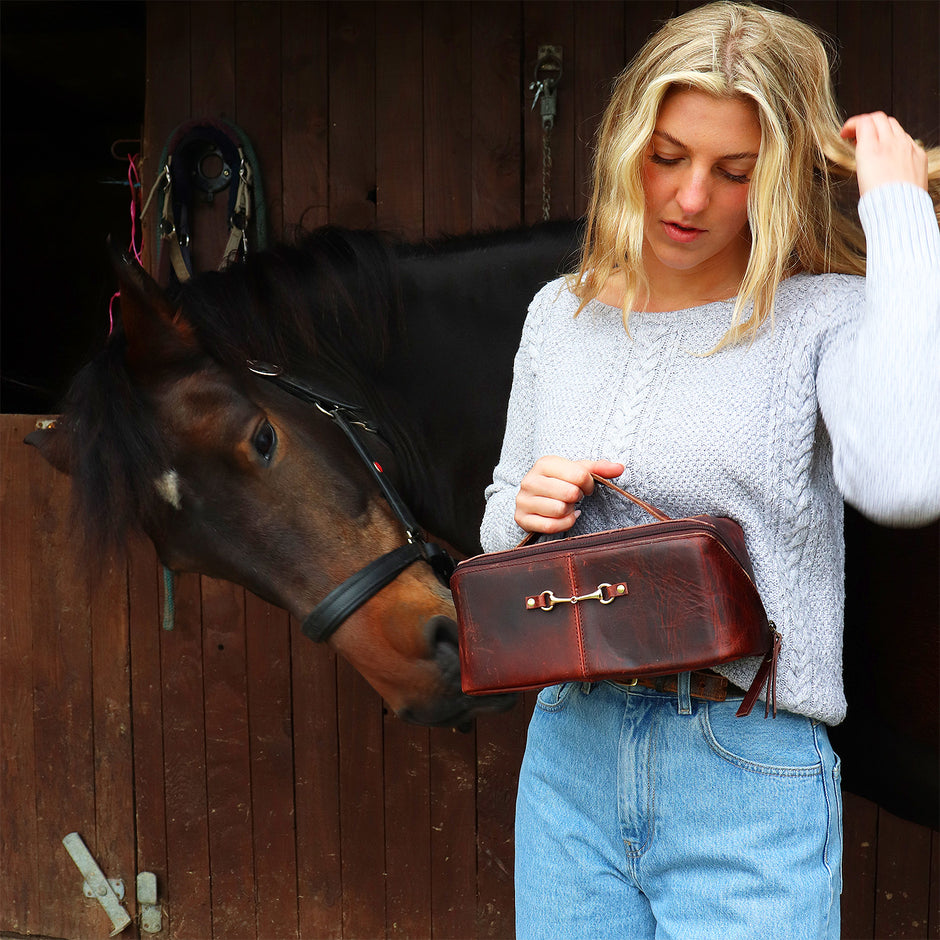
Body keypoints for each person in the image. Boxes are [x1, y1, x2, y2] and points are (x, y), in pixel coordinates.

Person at [479, 3, 940, 937]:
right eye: (667, 156)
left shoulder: (822, 317)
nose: (691, 198)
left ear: (777, 177)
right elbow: (497, 519)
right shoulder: (557, 315)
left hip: (744, 766)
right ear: (624, 147)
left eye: (735, 172)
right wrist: (525, 510)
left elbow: (902, 478)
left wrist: (900, 215)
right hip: (571, 753)